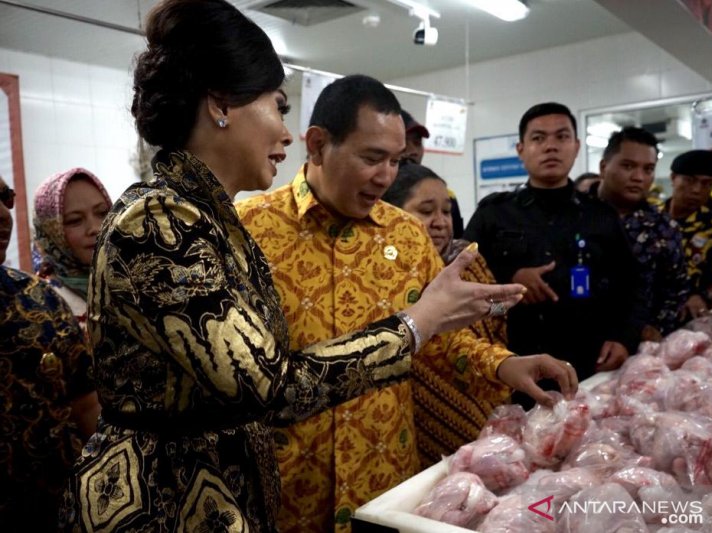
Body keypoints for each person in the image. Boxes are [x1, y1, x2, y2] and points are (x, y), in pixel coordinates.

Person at [60, 3, 534, 532]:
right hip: (166, 501)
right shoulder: (160, 222)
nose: (285, 134)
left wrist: (478, 349)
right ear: (221, 104)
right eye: (277, 107)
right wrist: (415, 325)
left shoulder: (208, 219)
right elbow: (267, 387)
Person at [236, 76, 578, 532]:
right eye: (372, 158)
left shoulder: (406, 235)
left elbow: (433, 337)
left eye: (396, 161)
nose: (386, 177)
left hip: (383, 484)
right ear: (317, 145)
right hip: (288, 485)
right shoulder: (248, 231)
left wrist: (502, 364)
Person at [464, 102, 644, 399]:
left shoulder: (601, 215)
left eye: (561, 137)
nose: (550, 147)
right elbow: (463, 285)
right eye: (538, 138)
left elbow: (632, 284)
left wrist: (624, 338)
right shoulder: (493, 214)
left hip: (589, 364)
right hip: (512, 368)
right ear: (521, 150)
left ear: (575, 146)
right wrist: (510, 280)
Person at [382, 161, 509, 467]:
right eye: (426, 211)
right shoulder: (387, 273)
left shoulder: (468, 257)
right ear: (390, 213)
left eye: (446, 211)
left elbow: (497, 320)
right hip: (415, 421)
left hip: (486, 391)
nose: (440, 222)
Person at [0, 175, 95, 531]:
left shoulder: (37, 301)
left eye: (5, 197)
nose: (1, 213)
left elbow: (87, 407)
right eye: (74, 219)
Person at [594, 127, 689, 340]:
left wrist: (656, 327)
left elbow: (675, 289)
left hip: (636, 346)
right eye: (628, 166)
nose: (638, 177)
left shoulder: (663, 228)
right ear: (603, 167)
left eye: (648, 169)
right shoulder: (574, 215)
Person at [33, 167, 112, 331]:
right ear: (51, 234)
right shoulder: (41, 306)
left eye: (103, 213)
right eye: (75, 220)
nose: (95, 228)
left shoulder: (136, 283)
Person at [662, 149, 712, 318]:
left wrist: (701, 296)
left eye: (707, 184)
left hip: (691, 318)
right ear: (673, 178)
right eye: (689, 180)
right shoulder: (647, 218)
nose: (697, 190)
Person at [401, 108, 465, 238]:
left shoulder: (447, 196)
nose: (413, 151)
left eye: (417, 143)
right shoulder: (370, 198)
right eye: (426, 211)